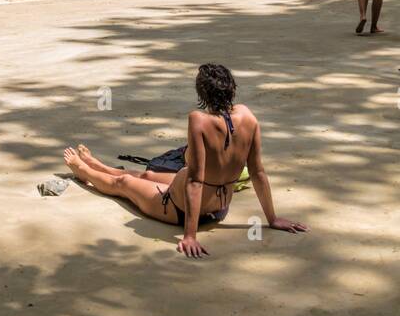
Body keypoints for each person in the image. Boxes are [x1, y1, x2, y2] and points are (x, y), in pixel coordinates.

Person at [62, 63, 308, 258]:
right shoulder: (248, 116)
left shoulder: (198, 119)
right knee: (147, 176)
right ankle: (102, 167)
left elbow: (195, 180)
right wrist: (272, 219)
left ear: (201, 93)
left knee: (124, 183)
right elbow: (258, 173)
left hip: (182, 210)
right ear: (231, 88)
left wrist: (189, 236)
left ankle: (84, 172)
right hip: (218, 209)